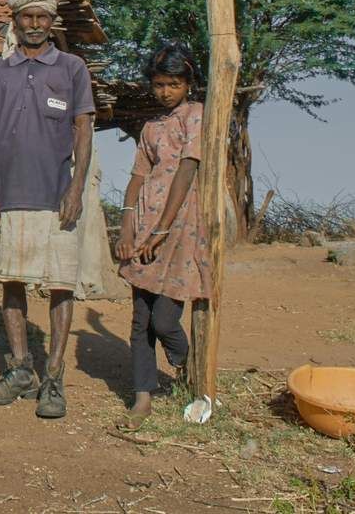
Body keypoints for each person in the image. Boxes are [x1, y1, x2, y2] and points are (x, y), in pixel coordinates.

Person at [0, 0, 97, 419]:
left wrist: (76, 187)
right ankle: (20, 369)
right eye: (26, 17)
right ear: (15, 20)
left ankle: (54, 378)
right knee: (11, 280)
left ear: (51, 21)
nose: (34, 24)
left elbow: (83, 130)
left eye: (42, 17)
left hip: (55, 194)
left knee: (61, 285)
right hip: (8, 195)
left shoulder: (71, 68)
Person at [114, 41, 210, 430]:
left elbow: (187, 171)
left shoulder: (197, 116)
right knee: (140, 319)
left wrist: (165, 227)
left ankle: (187, 369)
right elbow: (138, 177)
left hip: (180, 227)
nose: (165, 91)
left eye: (173, 83)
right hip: (143, 224)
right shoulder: (151, 127)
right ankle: (142, 396)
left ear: (188, 82)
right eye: (158, 84)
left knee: (165, 320)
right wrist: (126, 226)